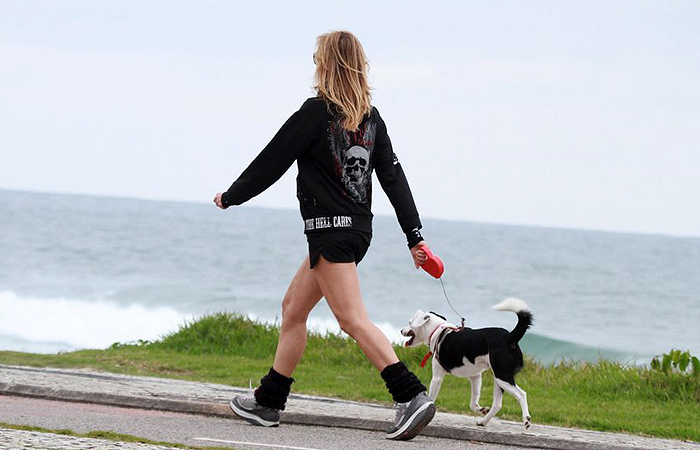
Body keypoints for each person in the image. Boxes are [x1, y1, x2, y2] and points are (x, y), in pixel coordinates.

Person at [214, 30, 435, 441]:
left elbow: (271, 160)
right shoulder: (371, 117)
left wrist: (232, 196)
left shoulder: (316, 113)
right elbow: (393, 177)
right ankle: (268, 402)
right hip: (354, 233)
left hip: (330, 234)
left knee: (351, 319)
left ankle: (410, 396)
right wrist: (414, 236)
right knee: (293, 309)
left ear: (325, 64)